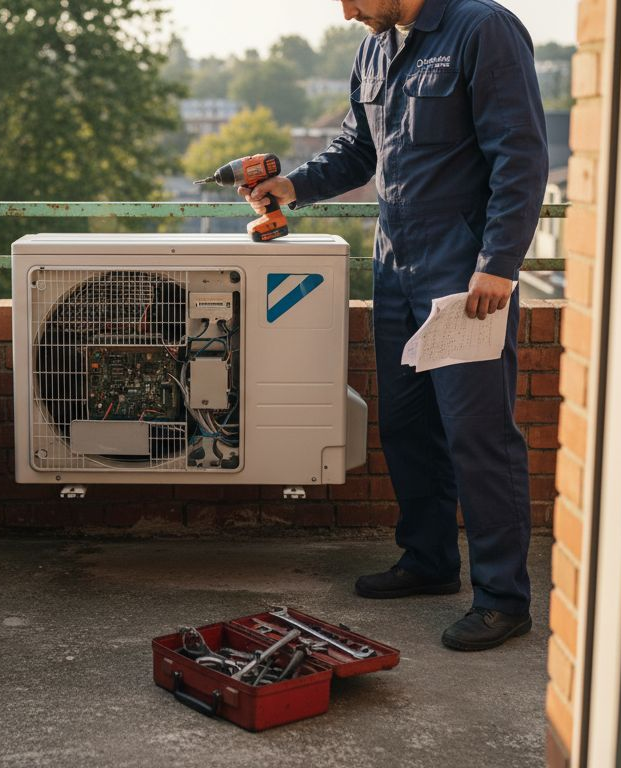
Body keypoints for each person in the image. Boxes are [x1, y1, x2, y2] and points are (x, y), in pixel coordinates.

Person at [246, 0, 547, 651]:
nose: (348, 11)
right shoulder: (375, 49)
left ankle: (503, 598)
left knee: (478, 436)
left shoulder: (482, 30)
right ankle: (430, 560)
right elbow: (358, 150)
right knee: (406, 425)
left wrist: (498, 261)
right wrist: (290, 188)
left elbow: (519, 157)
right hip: (396, 270)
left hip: (465, 279)